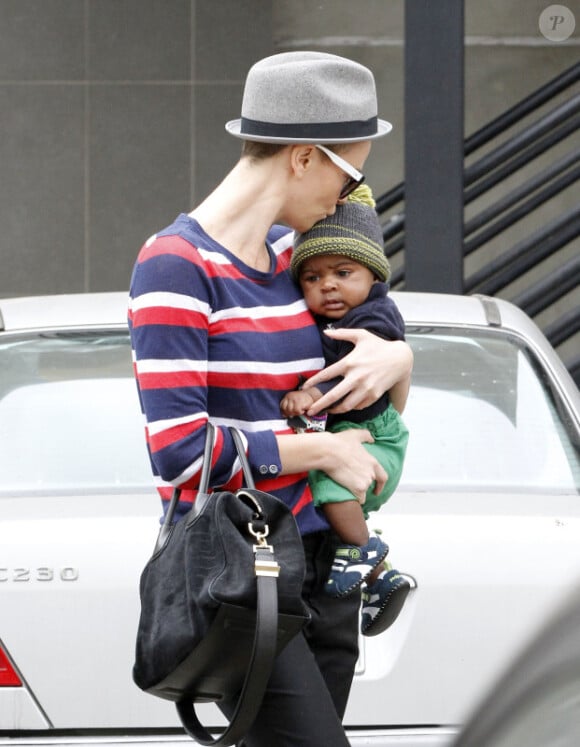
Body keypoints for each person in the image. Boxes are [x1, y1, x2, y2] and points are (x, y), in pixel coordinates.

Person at [129, 50, 413, 747]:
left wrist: (401, 356)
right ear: (303, 158)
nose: (351, 199)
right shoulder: (177, 263)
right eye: (353, 173)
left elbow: (370, 403)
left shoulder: (300, 261)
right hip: (244, 567)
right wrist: (316, 447)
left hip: (325, 565)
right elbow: (178, 454)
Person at [280, 183, 414, 637]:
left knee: (326, 479)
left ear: (373, 277)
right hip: (358, 434)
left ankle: (366, 551)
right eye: (312, 278)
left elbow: (351, 370)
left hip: (377, 435)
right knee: (331, 481)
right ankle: (381, 581)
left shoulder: (374, 318)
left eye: (343, 272)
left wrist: (309, 397)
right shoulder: (331, 318)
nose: (328, 285)